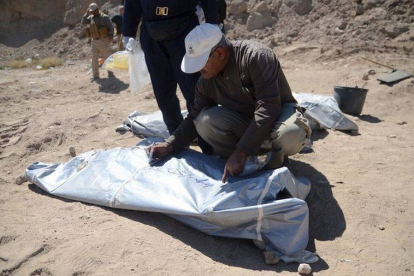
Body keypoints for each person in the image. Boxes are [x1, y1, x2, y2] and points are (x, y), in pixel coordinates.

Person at [149, 24, 312, 182]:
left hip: (278, 115)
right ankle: (251, 160)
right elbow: (194, 117)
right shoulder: (206, 82)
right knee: (204, 121)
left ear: (220, 53)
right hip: (248, 123)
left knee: (290, 134)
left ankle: (277, 161)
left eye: (201, 63)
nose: (199, 70)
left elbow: (269, 107)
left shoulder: (256, 57)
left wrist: (242, 151)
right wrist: (169, 145)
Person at [122, 0, 218, 138]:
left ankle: (207, 143)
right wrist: (128, 32)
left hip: (185, 31)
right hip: (152, 35)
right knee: (163, 94)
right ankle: (178, 138)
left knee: (195, 91)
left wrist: (212, 21)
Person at [81, 3, 114, 80]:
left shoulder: (104, 17)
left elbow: (111, 26)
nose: (93, 12)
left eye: (94, 11)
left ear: (97, 9)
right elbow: (83, 22)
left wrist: (111, 36)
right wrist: (87, 13)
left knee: (107, 57)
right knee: (94, 58)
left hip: (103, 40)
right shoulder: (91, 17)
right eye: (91, 11)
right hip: (94, 41)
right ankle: (95, 75)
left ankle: (110, 72)